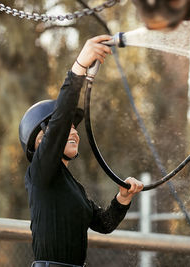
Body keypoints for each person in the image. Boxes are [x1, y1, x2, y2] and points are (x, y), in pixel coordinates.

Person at [19, 35, 144, 267]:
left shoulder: (74, 188)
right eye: (67, 127)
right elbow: (59, 122)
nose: (74, 132)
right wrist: (79, 68)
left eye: (75, 128)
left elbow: (104, 224)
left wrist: (123, 198)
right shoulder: (40, 172)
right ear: (40, 140)